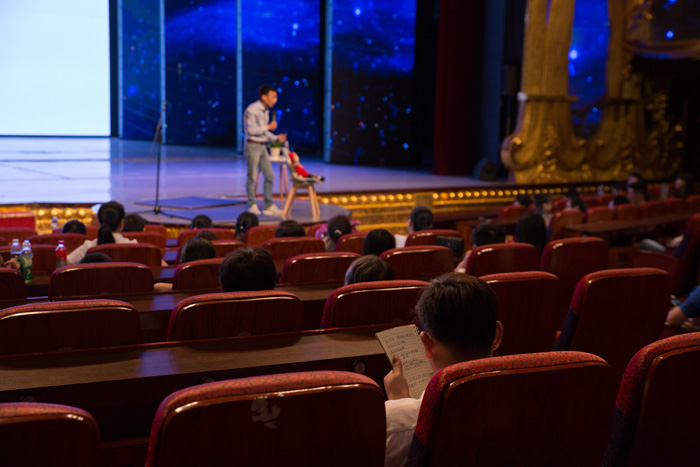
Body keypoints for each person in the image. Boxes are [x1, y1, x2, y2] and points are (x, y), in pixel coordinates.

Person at [383, 273, 503, 466]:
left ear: (427, 344)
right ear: (497, 335)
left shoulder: (394, 421)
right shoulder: (533, 402)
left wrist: (399, 404)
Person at [243, 85, 286, 217]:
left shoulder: (266, 111)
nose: (275, 100)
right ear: (264, 97)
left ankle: (268, 205)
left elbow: (264, 132)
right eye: (273, 97)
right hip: (253, 145)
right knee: (252, 177)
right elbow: (251, 130)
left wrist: (276, 138)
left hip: (263, 146)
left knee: (269, 175)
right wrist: (268, 127)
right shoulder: (252, 109)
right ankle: (252, 204)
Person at [67, 201, 137, 265]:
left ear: (99, 222)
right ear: (122, 223)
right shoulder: (134, 246)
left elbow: (65, 264)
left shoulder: (88, 247)